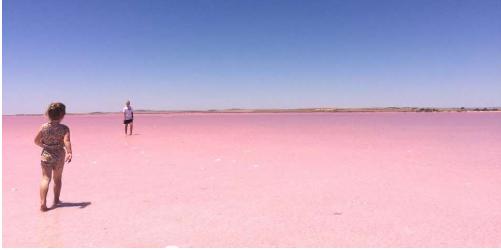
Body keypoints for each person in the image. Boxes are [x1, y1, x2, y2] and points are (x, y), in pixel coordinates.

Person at [34, 102, 72, 212]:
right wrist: (69, 152)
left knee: (45, 178)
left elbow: (35, 141)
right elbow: (67, 141)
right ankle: (56, 200)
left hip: (46, 155)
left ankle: (43, 203)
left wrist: (44, 145)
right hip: (59, 156)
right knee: (57, 179)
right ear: (62, 115)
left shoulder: (44, 127)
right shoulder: (64, 128)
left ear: (48, 114)